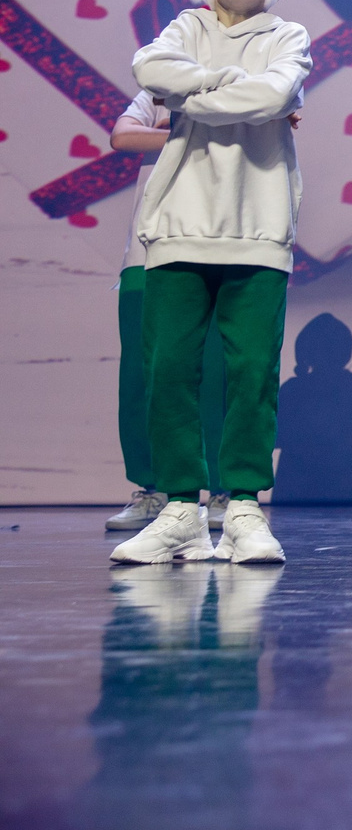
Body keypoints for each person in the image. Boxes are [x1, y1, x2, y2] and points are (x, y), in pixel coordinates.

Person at [110, 0, 309, 567]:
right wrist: (237, 93)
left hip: (258, 224)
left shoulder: (288, 35)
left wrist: (193, 93)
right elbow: (150, 68)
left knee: (252, 370)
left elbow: (275, 91)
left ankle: (245, 508)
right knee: (169, 368)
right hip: (177, 222)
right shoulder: (184, 28)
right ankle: (178, 511)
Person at [103, 93, 219, 534]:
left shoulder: (243, 84)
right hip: (145, 255)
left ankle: (222, 490)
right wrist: (190, 131)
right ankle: (153, 489)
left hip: (214, 244)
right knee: (142, 375)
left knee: (216, 372)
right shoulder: (158, 90)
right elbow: (122, 135)